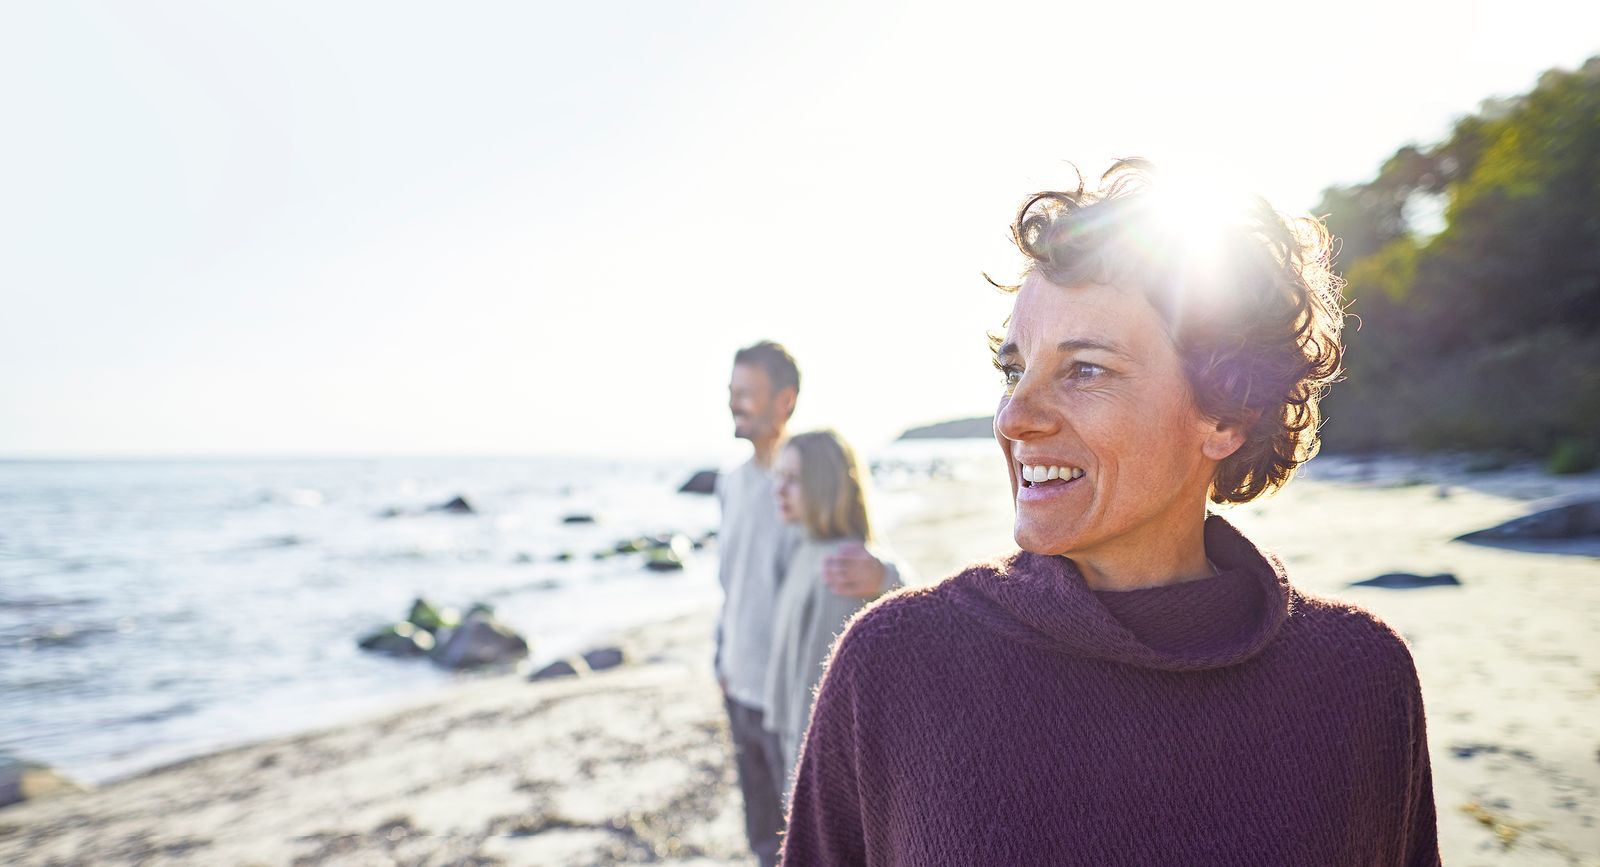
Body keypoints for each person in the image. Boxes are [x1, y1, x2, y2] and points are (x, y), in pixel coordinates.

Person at [781, 161, 1440, 865]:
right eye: (1013, 370)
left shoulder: (1361, 679)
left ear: (1226, 413)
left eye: (1084, 369)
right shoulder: (894, 665)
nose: (1015, 416)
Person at [715, 341, 897, 867]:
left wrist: (886, 573)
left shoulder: (805, 485)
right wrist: (720, 658)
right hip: (742, 688)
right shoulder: (731, 484)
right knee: (760, 834)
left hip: (793, 700)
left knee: (802, 836)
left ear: (784, 401)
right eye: (731, 393)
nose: (734, 403)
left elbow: (856, 550)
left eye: (746, 394)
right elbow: (730, 585)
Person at [764, 430, 902, 801]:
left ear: (824, 485)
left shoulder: (841, 566)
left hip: (816, 762)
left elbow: (820, 691)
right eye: (779, 476)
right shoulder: (806, 548)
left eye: (793, 479)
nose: (779, 489)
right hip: (791, 743)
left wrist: (799, 774)